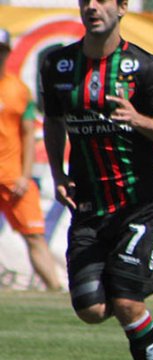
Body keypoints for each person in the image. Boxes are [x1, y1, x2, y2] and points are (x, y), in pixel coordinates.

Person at [40, 0, 153, 360]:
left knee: (126, 301)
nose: (92, 6)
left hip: (140, 204)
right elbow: (53, 122)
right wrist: (57, 173)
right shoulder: (57, 65)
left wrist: (138, 119)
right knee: (92, 309)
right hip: (89, 206)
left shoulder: (142, 68)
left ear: (123, 7)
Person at [0, 28, 62, 291]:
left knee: (35, 236)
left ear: (7, 53)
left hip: (14, 179)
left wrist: (25, 176)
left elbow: (28, 136)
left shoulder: (18, 90)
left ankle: (56, 291)